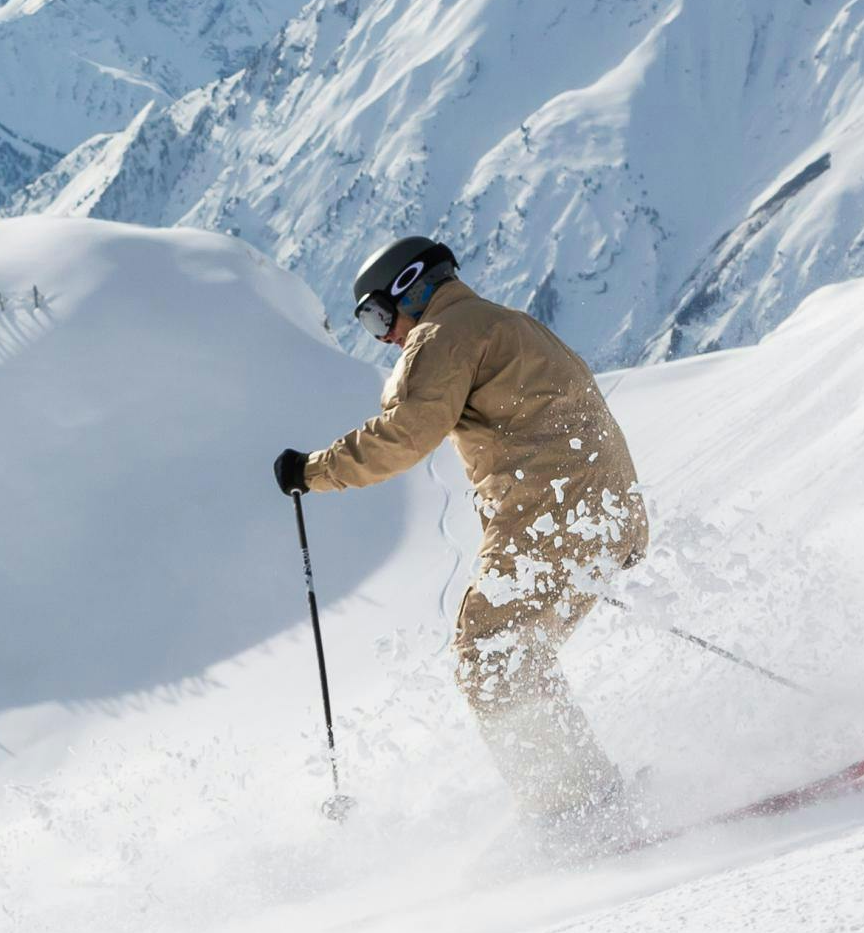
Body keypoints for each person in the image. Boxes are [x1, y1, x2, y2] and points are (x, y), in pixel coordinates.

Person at [274, 235, 650, 848]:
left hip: (551, 516)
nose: (383, 336)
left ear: (411, 288)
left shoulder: (444, 335)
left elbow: (407, 431)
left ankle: (580, 814)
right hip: (597, 512)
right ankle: (588, 800)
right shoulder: (507, 323)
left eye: (375, 315)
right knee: (515, 655)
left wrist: (313, 471)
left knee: (491, 653)